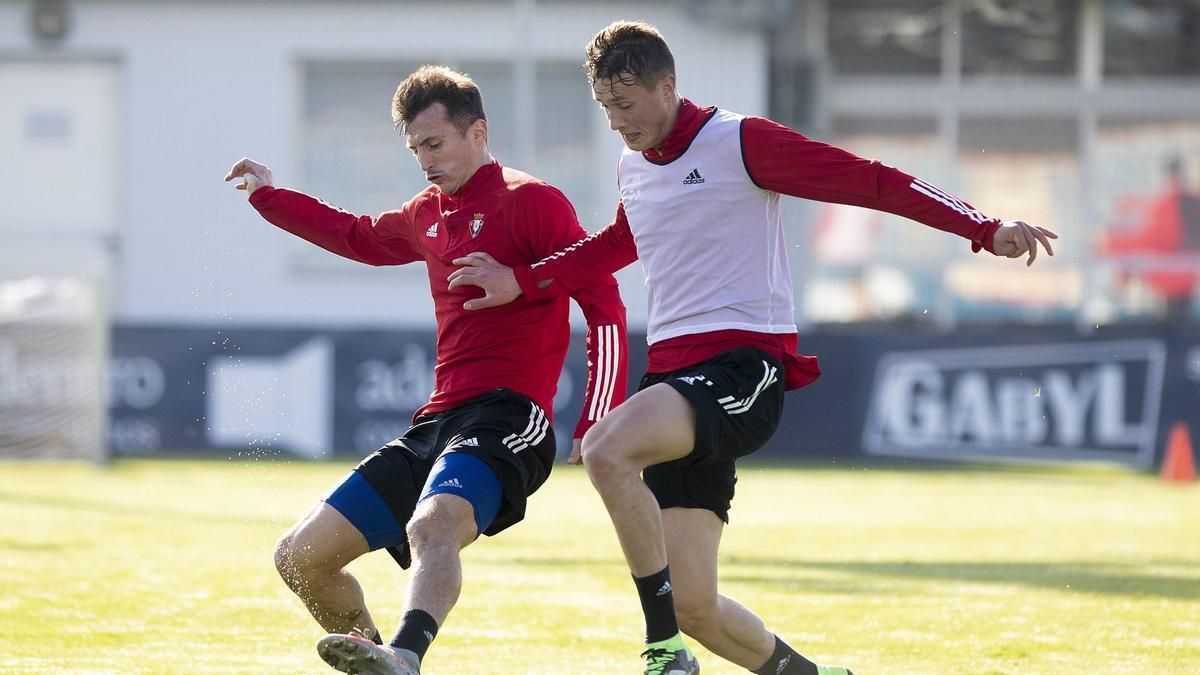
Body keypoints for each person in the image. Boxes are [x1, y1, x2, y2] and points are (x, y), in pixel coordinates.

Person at [449, 21, 1057, 675]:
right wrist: (522, 279)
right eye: (606, 108)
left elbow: (870, 180)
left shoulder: (739, 142)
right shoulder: (633, 169)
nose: (618, 122)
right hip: (673, 382)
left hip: (743, 369)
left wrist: (983, 228)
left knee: (604, 448)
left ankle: (661, 653)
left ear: (667, 86)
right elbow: (617, 246)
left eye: (626, 104)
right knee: (695, 604)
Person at [225, 65, 628, 674]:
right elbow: (355, 236)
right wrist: (266, 197)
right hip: (436, 421)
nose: (425, 160)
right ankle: (379, 663)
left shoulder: (534, 202)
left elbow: (603, 302)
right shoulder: (425, 213)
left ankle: (406, 656)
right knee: (298, 559)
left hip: (509, 414)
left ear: (478, 133)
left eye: (434, 144)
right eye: (415, 148)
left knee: (433, 524)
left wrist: (599, 413)